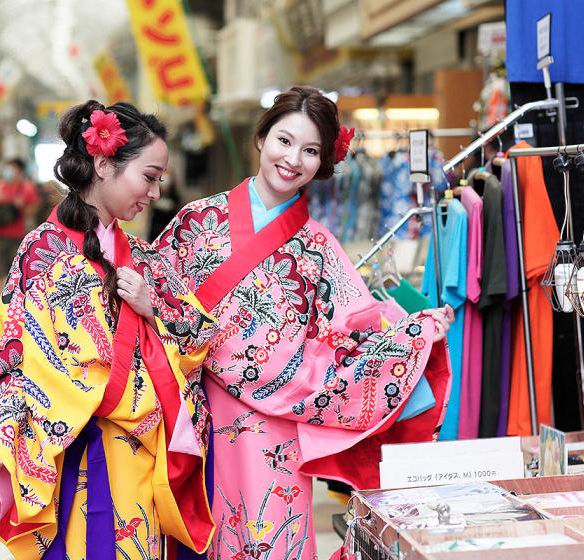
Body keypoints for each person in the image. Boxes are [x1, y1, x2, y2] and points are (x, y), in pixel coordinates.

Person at [155, 86, 454, 560]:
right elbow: (157, 300)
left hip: (273, 430)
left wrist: (414, 334)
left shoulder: (319, 246)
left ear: (323, 162)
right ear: (261, 137)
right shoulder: (197, 220)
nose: (293, 159)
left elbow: (358, 334)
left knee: (271, 540)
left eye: (310, 150)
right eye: (284, 140)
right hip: (196, 418)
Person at [0, 100, 218, 559]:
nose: (156, 193)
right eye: (149, 177)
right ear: (102, 164)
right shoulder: (43, 248)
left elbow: (200, 336)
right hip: (75, 448)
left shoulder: (141, 254)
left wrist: (151, 306)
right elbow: (11, 347)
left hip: (143, 457)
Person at [0, 157, 39, 291]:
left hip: (18, 235)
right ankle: (0, 301)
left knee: (17, 271)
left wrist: (19, 207)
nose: (8, 171)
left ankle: (13, 302)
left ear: (20, 171)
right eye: (7, 167)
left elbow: (33, 211)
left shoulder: (27, 189)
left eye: (12, 168)